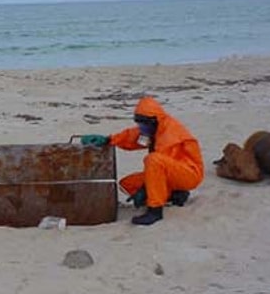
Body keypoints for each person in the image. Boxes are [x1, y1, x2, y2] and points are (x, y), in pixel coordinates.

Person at [81, 96, 204, 225]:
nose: (142, 127)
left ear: (154, 120)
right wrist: (108, 139)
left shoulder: (169, 134)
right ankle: (176, 194)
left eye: (144, 123)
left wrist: (145, 190)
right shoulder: (154, 128)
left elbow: (157, 167)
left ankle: (155, 211)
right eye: (139, 123)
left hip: (189, 173)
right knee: (128, 183)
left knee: (153, 160)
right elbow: (131, 137)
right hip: (170, 172)